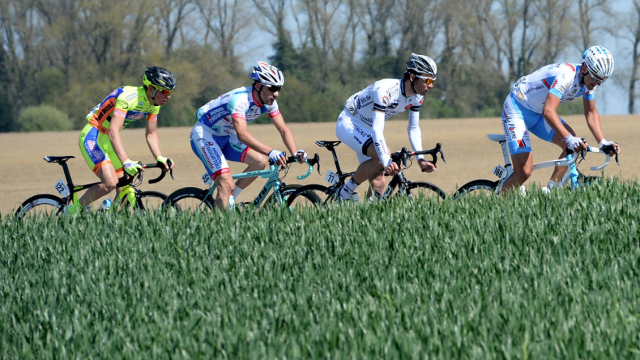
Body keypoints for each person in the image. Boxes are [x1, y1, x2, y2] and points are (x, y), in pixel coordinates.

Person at [500, 45, 620, 192]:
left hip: (537, 113)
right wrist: (569, 138)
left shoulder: (589, 80)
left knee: (575, 145)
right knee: (524, 171)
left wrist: (603, 142)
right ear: (584, 69)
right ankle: (495, 208)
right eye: (596, 79)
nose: (598, 83)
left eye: (602, 80)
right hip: (517, 109)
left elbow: (591, 113)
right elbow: (549, 111)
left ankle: (551, 192)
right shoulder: (566, 76)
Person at [191, 61, 307, 210]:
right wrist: (271, 151)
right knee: (226, 184)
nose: (276, 93)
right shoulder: (240, 100)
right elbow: (242, 134)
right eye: (272, 88)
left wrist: (295, 152)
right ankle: (218, 226)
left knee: (260, 161)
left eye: (278, 89)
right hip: (205, 135)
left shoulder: (269, 101)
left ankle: (231, 200)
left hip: (225, 135)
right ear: (258, 86)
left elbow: (283, 129)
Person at [66, 66, 176, 214]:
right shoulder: (128, 97)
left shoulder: (154, 104)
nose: (168, 96)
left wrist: (159, 157)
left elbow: (151, 134)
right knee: (109, 183)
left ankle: (108, 220)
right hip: (94, 136)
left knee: (125, 185)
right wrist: (125, 161)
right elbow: (113, 130)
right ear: (151, 89)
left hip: (108, 141)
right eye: (165, 91)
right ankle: (71, 213)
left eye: (170, 92)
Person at [335, 53, 438, 201]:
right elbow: (378, 130)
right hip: (350, 122)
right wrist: (387, 161)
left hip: (368, 129)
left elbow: (413, 128)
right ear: (412, 77)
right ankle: (343, 195)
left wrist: (420, 159)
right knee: (381, 157)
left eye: (433, 80)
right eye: (427, 80)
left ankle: (368, 219)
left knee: (379, 183)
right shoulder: (385, 90)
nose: (431, 85)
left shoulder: (418, 97)